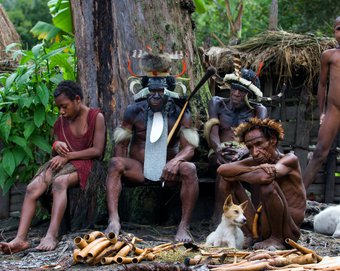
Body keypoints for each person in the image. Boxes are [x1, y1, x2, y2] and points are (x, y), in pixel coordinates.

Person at [0, 80, 106, 254]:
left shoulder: (96, 117)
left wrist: (68, 157)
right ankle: (20, 239)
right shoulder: (61, 121)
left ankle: (52, 234)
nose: (61, 112)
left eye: (64, 106)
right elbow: (55, 147)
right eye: (59, 108)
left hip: (88, 163)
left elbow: (97, 151)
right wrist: (56, 145)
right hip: (65, 162)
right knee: (32, 187)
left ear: (77, 99)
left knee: (59, 182)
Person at [105, 51, 199, 242]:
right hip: (139, 169)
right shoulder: (134, 110)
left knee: (190, 168)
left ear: (169, 92)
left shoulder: (180, 112)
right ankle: (114, 220)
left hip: (169, 171)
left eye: (160, 92)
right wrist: (123, 172)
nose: (155, 96)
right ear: (145, 91)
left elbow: (189, 148)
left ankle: (183, 226)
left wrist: (175, 162)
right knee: (115, 163)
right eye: (152, 91)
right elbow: (121, 145)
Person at [217, 117, 306, 250]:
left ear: (272, 140)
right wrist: (254, 168)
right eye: (250, 147)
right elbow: (222, 170)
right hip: (261, 226)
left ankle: (276, 239)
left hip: (288, 231)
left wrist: (247, 172)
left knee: (268, 184)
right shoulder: (257, 161)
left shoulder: (290, 159)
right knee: (226, 180)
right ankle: (250, 235)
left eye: (259, 144)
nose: (255, 152)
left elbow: (265, 178)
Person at [204, 68, 267, 223]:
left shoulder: (258, 110)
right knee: (224, 168)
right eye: (234, 88)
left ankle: (256, 218)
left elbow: (260, 139)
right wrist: (218, 148)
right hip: (220, 152)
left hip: (246, 155)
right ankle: (218, 217)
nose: (236, 93)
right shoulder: (217, 104)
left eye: (242, 91)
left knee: (259, 171)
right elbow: (212, 131)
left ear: (250, 94)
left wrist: (243, 151)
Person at [303, 16, 340, 190]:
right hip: (334, 110)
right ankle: (299, 196)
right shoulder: (329, 56)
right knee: (319, 151)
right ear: (334, 31)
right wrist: (322, 112)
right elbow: (323, 85)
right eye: (339, 29)